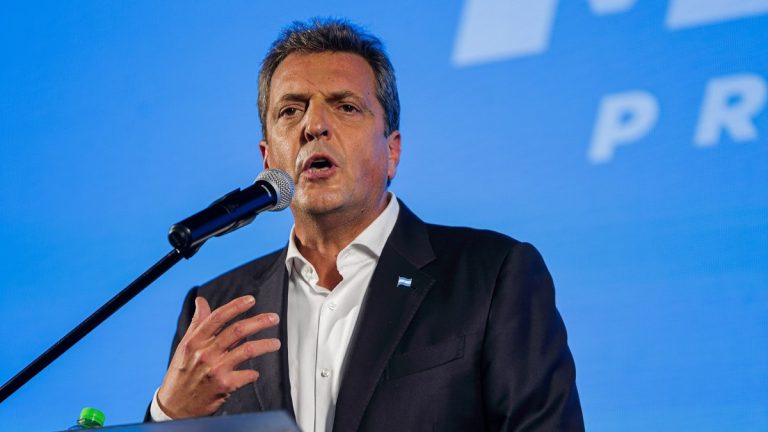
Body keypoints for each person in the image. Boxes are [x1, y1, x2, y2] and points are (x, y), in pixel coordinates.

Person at [147, 18, 584, 431]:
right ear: (267, 158)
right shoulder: (214, 311)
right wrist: (168, 414)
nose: (313, 126)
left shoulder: (492, 275)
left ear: (392, 151)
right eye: (291, 110)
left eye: (346, 107)